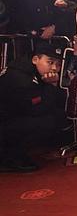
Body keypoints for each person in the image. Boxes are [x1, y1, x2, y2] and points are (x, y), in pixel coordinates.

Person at [0, 42, 67, 172]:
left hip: (12, 117)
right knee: (49, 121)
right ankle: (10, 158)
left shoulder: (28, 68)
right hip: (5, 122)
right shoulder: (21, 78)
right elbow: (39, 109)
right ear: (35, 59)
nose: (54, 68)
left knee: (57, 116)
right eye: (50, 62)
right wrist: (51, 85)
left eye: (58, 64)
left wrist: (51, 86)